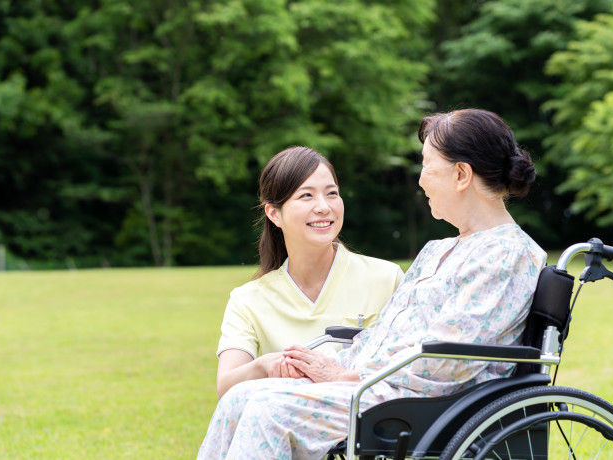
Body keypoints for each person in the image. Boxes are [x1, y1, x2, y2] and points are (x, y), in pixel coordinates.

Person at [197, 109, 548, 460]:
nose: (421, 180)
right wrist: (329, 368)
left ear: (460, 174)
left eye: (427, 165)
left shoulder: (506, 254)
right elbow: (385, 337)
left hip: (414, 401)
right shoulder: (439, 250)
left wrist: (350, 376)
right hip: (377, 386)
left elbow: (449, 361)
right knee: (242, 397)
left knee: (269, 411)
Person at [213, 146, 404, 399]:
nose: (324, 207)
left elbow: (408, 368)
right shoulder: (247, 300)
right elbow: (226, 386)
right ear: (274, 214)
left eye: (332, 193)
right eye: (306, 196)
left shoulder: (387, 278)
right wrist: (264, 365)